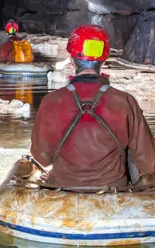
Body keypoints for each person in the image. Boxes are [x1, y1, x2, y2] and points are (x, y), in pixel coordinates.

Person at [29, 24, 155, 190]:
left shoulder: (51, 101)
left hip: (65, 190)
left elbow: (42, 157)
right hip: (114, 191)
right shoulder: (124, 101)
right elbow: (148, 161)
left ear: (72, 60)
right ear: (103, 60)